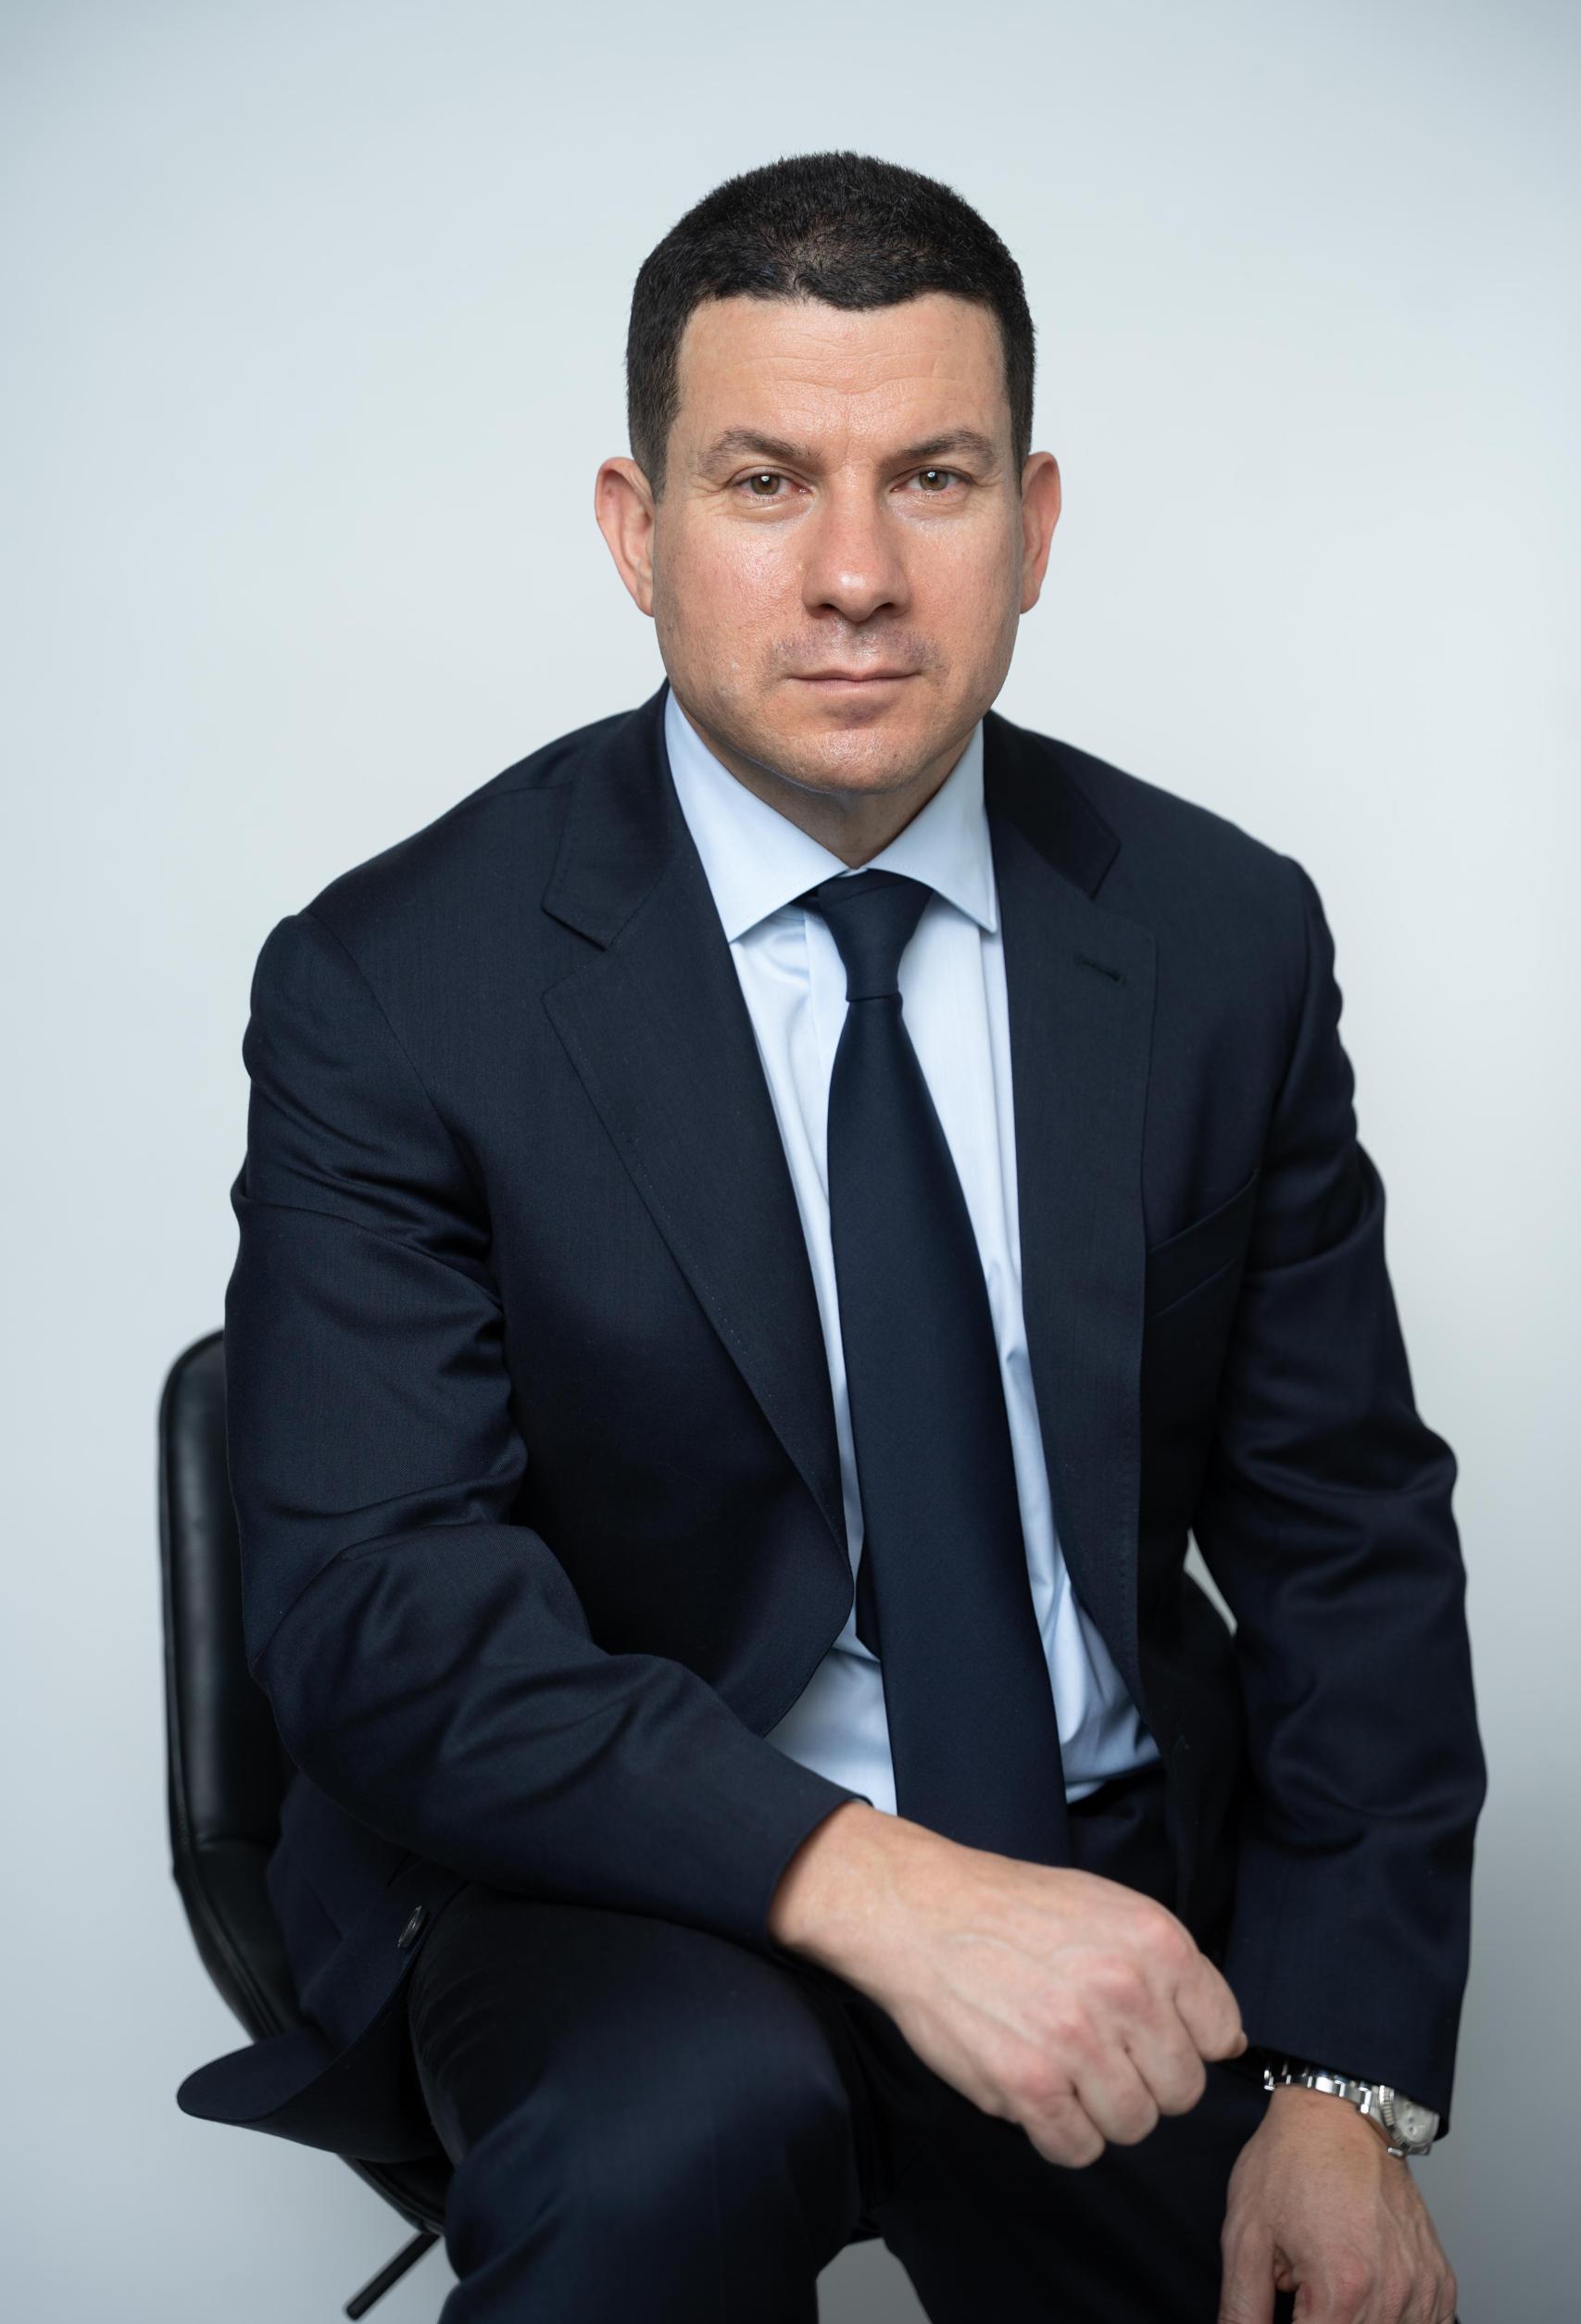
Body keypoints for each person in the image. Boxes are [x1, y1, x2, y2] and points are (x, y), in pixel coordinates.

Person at [176, 151, 1483, 2323]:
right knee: (667, 2137)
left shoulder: (1215, 936)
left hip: (1105, 1872)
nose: (855, 573)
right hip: (614, 1886)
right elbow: (377, 1609)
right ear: (635, 528)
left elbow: (1341, 1530)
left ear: (1036, 522)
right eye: (767, 479)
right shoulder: (395, 979)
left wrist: (1342, 2081)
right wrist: (869, 1887)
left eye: (935, 478)